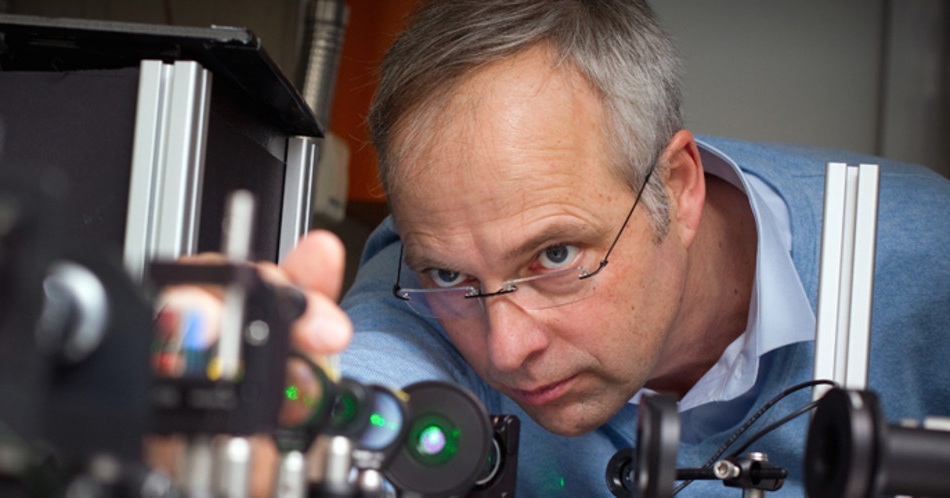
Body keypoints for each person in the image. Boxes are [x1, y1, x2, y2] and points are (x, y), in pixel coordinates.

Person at [275, 0, 950, 495]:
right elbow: (367, 386)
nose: (507, 351)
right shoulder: (424, 272)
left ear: (678, 185)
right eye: (450, 273)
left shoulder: (925, 257)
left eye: (556, 255)